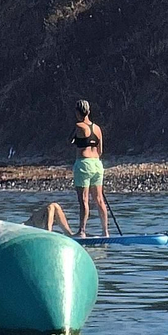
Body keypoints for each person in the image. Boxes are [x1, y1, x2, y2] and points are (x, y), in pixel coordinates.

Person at [70, 100, 108, 238]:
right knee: (99, 200)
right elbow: (100, 150)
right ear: (89, 111)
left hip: (83, 164)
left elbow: (71, 141)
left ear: (77, 112)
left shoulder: (78, 126)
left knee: (84, 200)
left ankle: (82, 231)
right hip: (97, 164)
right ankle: (105, 232)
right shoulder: (97, 128)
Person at [0, 202, 75, 239]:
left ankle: (68, 234)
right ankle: (48, 232)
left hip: (27, 224)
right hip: (29, 228)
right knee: (51, 206)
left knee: (55, 206)